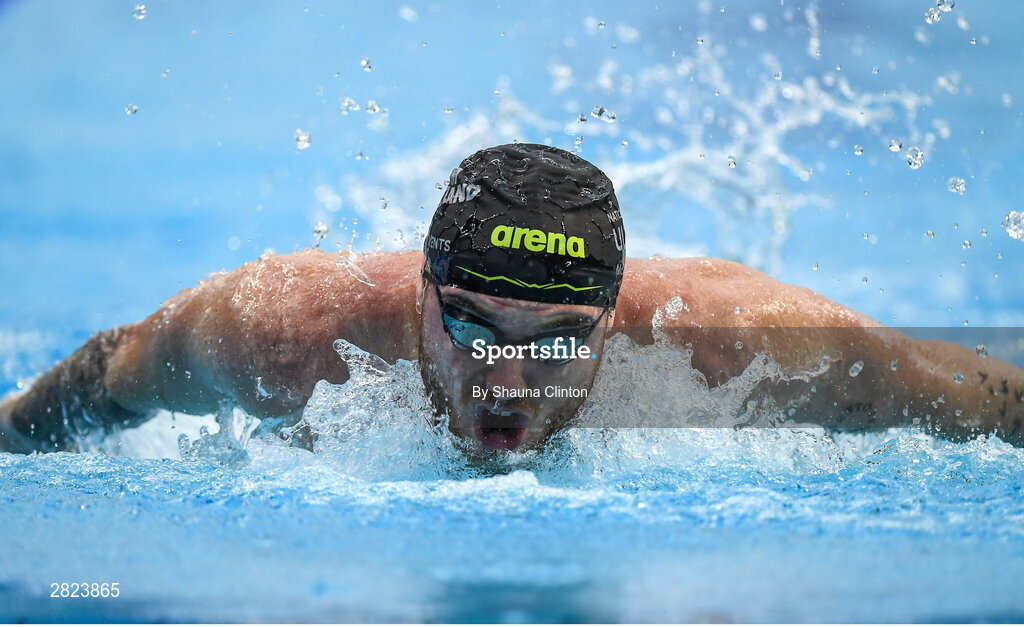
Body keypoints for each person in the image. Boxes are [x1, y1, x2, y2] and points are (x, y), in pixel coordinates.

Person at [1, 143, 1022, 455]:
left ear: (613, 319)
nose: (504, 377)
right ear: (420, 295)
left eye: (555, 341)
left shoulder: (729, 346)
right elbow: (109, 376)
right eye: (470, 325)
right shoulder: (291, 335)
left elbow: (980, 396)